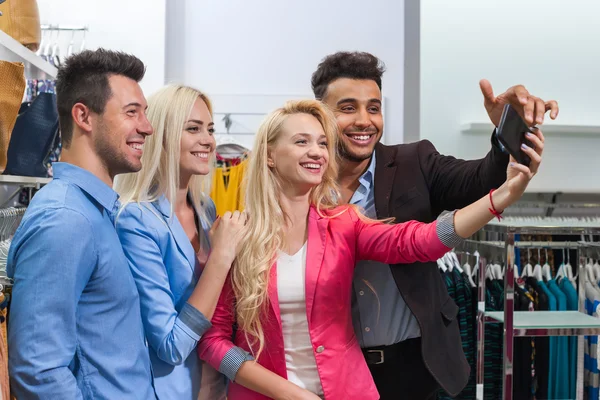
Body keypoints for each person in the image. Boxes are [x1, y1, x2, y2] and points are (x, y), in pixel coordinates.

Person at [197, 99, 545, 399]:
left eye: (321, 142)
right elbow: (213, 342)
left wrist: (501, 198)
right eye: (302, 141)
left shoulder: (343, 223)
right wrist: (287, 392)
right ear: (270, 156)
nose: (316, 151)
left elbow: (418, 242)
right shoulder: (236, 233)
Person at [310, 51, 559, 399]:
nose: (365, 120)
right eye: (347, 108)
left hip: (416, 364)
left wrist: (507, 131)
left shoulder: (415, 162)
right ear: (319, 113)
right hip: (331, 370)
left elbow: (481, 179)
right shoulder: (301, 186)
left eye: (374, 107)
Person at [7, 49, 157, 399]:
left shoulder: (94, 212)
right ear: (84, 117)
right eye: (132, 112)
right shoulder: (67, 220)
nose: (146, 128)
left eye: (144, 113)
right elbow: (39, 371)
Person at [114, 84, 246, 400]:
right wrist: (221, 257)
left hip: (216, 384)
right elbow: (170, 345)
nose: (209, 140)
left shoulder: (206, 209)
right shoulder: (135, 219)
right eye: (193, 129)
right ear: (162, 137)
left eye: (210, 129)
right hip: (171, 389)